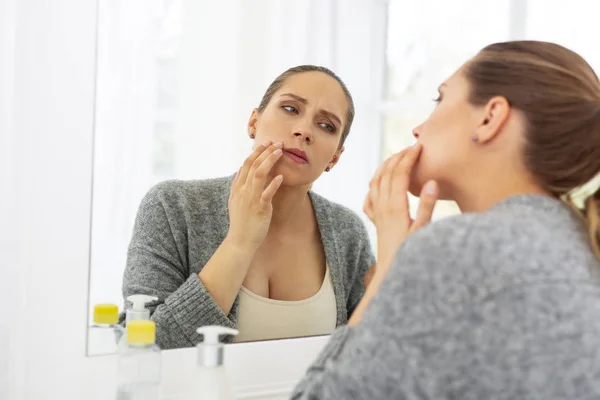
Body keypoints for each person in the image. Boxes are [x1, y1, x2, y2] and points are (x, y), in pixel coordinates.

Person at [292, 41, 600, 399]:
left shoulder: (461, 249)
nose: (418, 129)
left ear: (490, 118)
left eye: (440, 99)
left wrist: (393, 262)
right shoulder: (579, 242)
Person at [121, 65, 375, 349]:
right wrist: (239, 243)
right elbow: (146, 348)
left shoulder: (348, 232)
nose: (304, 131)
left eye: (326, 125)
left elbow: (367, 358)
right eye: (290, 109)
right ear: (254, 122)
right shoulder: (171, 207)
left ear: (335, 158)